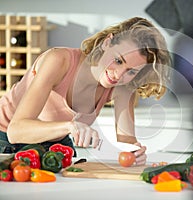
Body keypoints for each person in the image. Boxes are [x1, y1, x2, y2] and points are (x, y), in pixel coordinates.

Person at [0, 17, 171, 166]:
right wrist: (70, 126)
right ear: (107, 42)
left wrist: (134, 154)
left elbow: (126, 143)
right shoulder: (59, 60)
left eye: (132, 71)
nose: (119, 75)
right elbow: (16, 131)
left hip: (56, 145)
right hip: (5, 140)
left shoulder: (124, 86)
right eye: (118, 60)